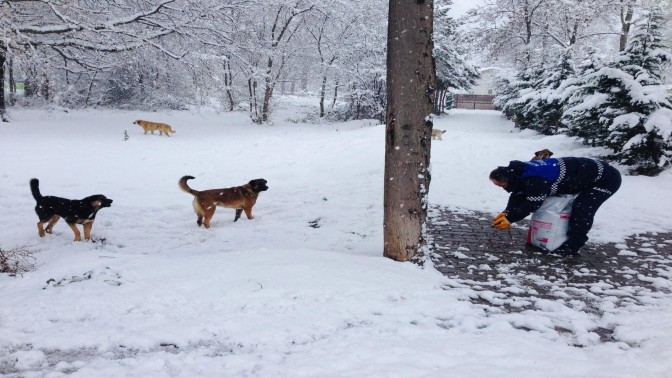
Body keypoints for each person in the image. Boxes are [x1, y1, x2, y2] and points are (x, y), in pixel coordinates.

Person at [489, 157, 622, 255]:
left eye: (502, 186)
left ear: (509, 179)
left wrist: (511, 218)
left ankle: (572, 246)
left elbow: (533, 203)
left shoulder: (536, 178)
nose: (502, 188)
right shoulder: (519, 173)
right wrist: (507, 212)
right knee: (573, 208)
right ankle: (563, 237)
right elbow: (519, 192)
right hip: (585, 174)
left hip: (606, 179)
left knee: (582, 209)